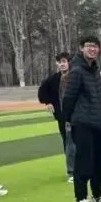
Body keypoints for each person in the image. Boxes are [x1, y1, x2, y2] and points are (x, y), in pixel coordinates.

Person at [62, 35, 101, 202]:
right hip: (82, 122)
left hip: (96, 121)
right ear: (81, 48)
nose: (92, 49)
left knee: (99, 160)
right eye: (88, 46)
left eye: (95, 46)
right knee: (84, 161)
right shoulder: (77, 70)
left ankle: (98, 194)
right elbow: (69, 97)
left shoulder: (94, 69)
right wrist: (68, 120)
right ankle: (81, 198)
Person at [38, 53, 76, 181]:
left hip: (79, 114)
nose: (62, 64)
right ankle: (72, 171)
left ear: (70, 62)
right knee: (68, 142)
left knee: (80, 141)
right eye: (60, 62)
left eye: (64, 61)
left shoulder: (76, 76)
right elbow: (42, 92)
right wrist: (48, 102)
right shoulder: (52, 79)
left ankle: (81, 167)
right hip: (63, 116)